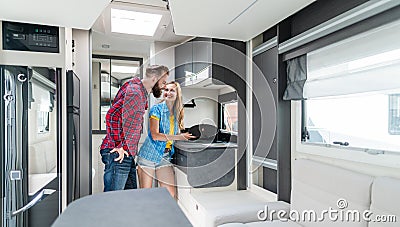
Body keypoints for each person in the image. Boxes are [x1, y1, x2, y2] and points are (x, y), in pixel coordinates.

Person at [100, 65, 169, 192]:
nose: (165, 86)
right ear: (154, 78)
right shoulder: (135, 92)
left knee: (130, 198)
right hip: (119, 154)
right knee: (112, 201)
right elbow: (112, 115)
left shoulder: (137, 88)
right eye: (163, 82)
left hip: (127, 153)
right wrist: (118, 145)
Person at [137, 81, 195, 198]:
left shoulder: (177, 113)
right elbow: (155, 135)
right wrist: (179, 137)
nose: (168, 93)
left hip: (165, 157)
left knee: (170, 194)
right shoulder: (156, 109)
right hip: (148, 156)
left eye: (172, 90)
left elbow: (174, 134)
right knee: (146, 194)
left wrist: (187, 138)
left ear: (177, 94)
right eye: (166, 90)